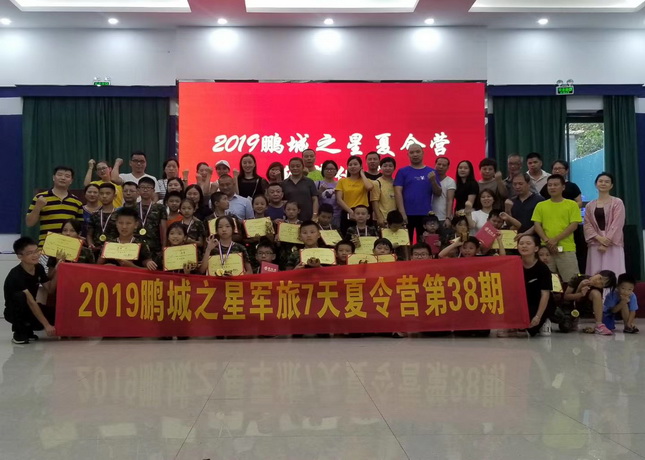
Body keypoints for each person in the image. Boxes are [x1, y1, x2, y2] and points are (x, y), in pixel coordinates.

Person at [4, 237, 57, 343]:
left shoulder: (39, 268)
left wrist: (58, 268)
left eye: (36, 251)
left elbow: (50, 289)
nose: (35, 255)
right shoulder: (16, 275)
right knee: (21, 296)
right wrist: (46, 325)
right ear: (20, 256)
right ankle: (19, 333)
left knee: (54, 315)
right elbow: (31, 302)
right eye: (30, 253)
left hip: (30, 306)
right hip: (13, 311)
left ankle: (28, 329)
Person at [532, 174, 582, 282]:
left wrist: (555, 240)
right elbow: (537, 225)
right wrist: (547, 241)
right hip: (546, 250)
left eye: (556, 185)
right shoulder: (540, 205)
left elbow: (574, 225)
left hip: (566, 248)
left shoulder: (572, 204)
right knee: (546, 281)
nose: (552, 187)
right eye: (549, 185)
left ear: (563, 187)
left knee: (572, 281)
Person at [26, 166, 83, 247]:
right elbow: (29, 223)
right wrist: (38, 207)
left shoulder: (77, 201)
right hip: (46, 246)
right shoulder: (40, 198)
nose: (63, 178)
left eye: (67, 176)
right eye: (59, 175)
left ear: (71, 181)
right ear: (53, 177)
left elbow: (80, 227)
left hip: (68, 246)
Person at [584, 172, 626, 276]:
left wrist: (606, 242)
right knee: (595, 272)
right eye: (601, 181)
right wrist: (598, 238)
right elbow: (587, 224)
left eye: (607, 182)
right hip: (595, 242)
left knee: (613, 271)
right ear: (596, 184)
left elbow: (617, 224)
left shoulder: (617, 202)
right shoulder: (589, 205)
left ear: (611, 185)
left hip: (613, 243)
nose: (603, 183)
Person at [515, 234, 556, 337]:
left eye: (528, 243)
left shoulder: (543, 268)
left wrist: (538, 316)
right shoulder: (514, 265)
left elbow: (545, 294)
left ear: (536, 248)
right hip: (522, 302)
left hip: (539, 302)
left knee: (531, 330)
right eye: (521, 243)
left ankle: (545, 320)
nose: (524, 246)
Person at [562, 270, 617, 335]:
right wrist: (580, 288)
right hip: (568, 307)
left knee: (596, 293)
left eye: (601, 284)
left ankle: (599, 325)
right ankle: (572, 320)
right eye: (600, 278)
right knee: (565, 327)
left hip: (584, 310)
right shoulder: (578, 278)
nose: (598, 282)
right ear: (596, 273)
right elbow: (566, 297)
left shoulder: (598, 290)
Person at [337, 157, 375, 235]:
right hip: (348, 211)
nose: (353, 166)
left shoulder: (365, 181)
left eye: (355, 164)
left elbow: (369, 187)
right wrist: (351, 212)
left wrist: (362, 174)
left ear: (361, 166)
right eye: (350, 165)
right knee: (347, 237)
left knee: (365, 237)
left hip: (362, 213)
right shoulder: (342, 181)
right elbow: (339, 199)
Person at [136, 177, 168, 261]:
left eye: (148, 188)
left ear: (153, 191)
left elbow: (163, 228)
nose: (145, 190)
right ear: (138, 190)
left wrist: (164, 246)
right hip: (136, 246)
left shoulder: (160, 208)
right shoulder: (133, 207)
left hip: (154, 247)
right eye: (143, 187)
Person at [87, 183, 118, 251]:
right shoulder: (94, 215)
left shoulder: (119, 215)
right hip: (96, 250)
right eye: (101, 193)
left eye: (108, 193)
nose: (104, 196)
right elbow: (89, 234)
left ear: (114, 196)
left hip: (114, 250)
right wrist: (90, 244)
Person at [371, 157, 397, 229]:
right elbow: (374, 202)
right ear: (381, 167)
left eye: (390, 166)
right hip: (382, 219)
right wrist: (379, 218)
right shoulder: (377, 183)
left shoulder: (396, 182)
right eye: (385, 166)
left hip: (395, 219)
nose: (387, 168)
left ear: (394, 168)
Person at [316, 160, 341, 229]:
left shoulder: (340, 184)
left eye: (332, 169)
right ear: (323, 171)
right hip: (321, 216)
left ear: (336, 171)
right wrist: (320, 191)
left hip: (336, 215)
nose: (329, 171)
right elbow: (314, 199)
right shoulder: (317, 183)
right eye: (327, 169)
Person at [432, 157, 456, 225]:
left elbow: (450, 200)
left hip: (443, 218)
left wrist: (448, 218)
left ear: (448, 167)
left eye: (444, 165)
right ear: (435, 165)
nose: (441, 167)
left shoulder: (450, 181)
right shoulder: (430, 179)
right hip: (430, 217)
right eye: (439, 164)